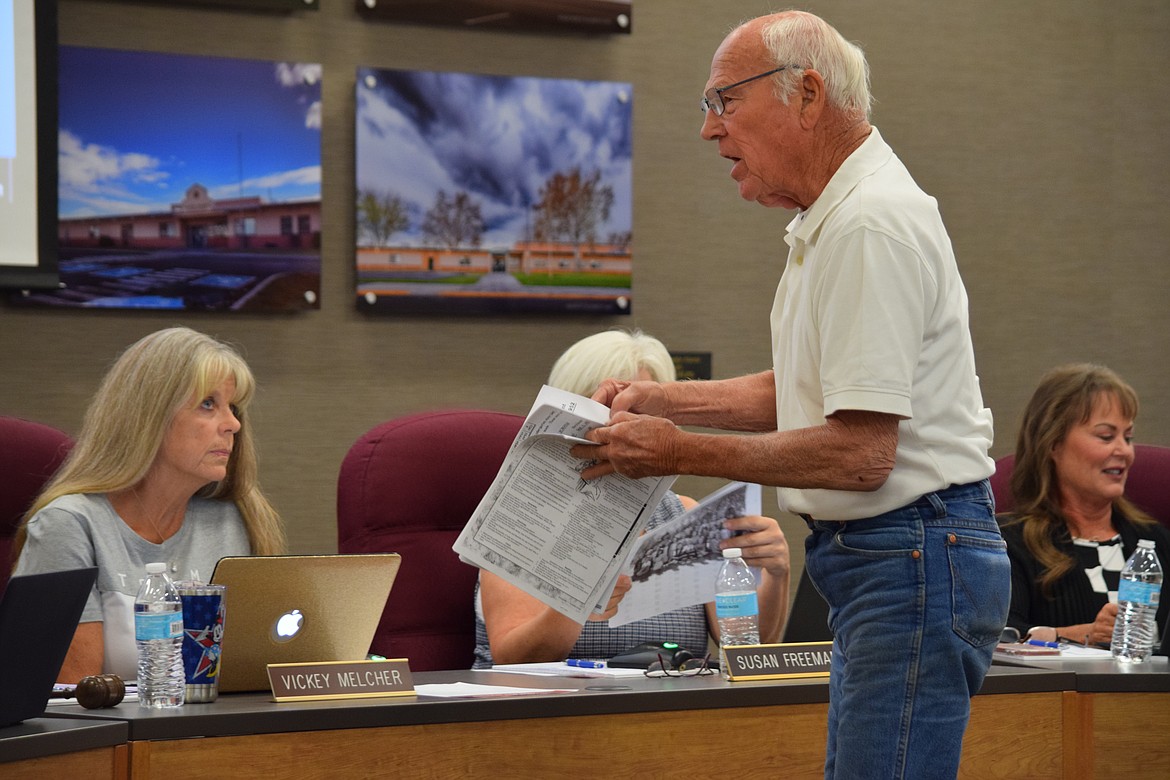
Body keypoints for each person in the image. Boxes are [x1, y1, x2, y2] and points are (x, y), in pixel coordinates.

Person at [570, 12, 1010, 780]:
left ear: (806, 95)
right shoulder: (836, 217)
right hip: (897, 557)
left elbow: (861, 450)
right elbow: (808, 393)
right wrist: (667, 402)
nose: (709, 131)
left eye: (723, 102)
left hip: (912, 554)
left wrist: (676, 452)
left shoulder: (871, 222)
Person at [472, 329, 790, 668]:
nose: (622, 426)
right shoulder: (522, 513)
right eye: (606, 410)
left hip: (670, 708)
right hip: (552, 712)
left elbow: (750, 650)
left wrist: (776, 572)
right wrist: (578, 605)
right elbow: (512, 659)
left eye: (638, 412)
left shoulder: (683, 514)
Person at [12, 327, 285, 682]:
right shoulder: (69, 526)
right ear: (150, 415)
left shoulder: (235, 521)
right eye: (208, 404)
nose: (232, 423)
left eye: (232, 407)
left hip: (225, 734)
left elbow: (260, 668)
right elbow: (71, 702)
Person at [999, 364, 1170, 648]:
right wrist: (1085, 634)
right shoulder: (1009, 544)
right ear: (1052, 444)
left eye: (1127, 437)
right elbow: (1002, 639)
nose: (1124, 451)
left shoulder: (1157, 542)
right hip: (1057, 693)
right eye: (1106, 436)